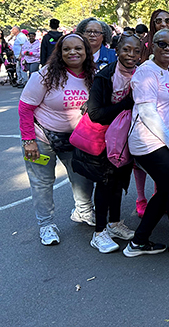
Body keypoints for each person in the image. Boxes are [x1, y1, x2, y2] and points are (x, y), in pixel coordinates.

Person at [19, 33, 96, 245]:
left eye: (78, 48)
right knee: (42, 182)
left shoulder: (93, 75)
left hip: (76, 139)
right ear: (59, 53)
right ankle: (46, 225)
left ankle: (83, 211)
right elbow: (25, 107)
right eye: (66, 49)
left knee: (82, 176)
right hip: (41, 138)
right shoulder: (45, 75)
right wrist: (28, 141)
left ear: (86, 51)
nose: (73, 52)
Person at [123, 29, 169, 261]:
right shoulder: (146, 72)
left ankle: (139, 241)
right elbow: (147, 112)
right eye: (162, 44)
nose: (168, 49)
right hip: (148, 143)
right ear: (152, 45)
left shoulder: (165, 72)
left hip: (163, 142)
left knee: (165, 190)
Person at [78, 32, 141, 253]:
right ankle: (99, 232)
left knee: (120, 181)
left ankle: (114, 223)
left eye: (136, 51)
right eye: (126, 50)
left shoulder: (141, 74)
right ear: (117, 50)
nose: (131, 55)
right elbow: (95, 113)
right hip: (104, 139)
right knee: (105, 183)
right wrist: (125, 104)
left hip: (126, 138)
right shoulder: (105, 76)